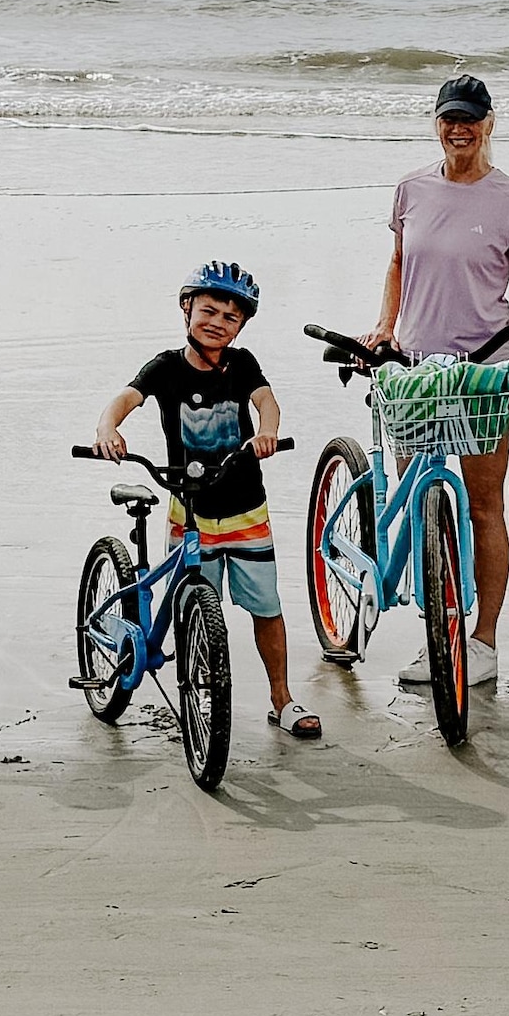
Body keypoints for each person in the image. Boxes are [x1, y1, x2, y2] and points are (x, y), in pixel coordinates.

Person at [374, 70, 509, 693]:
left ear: (488, 125)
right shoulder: (410, 189)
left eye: (469, 119)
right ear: (437, 124)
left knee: (484, 506)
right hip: (416, 371)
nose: (458, 129)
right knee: (420, 500)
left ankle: (482, 641)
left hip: (485, 372)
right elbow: (399, 263)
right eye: (449, 118)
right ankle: (438, 630)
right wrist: (385, 325)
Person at [95, 258, 320, 740]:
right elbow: (126, 398)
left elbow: (266, 400)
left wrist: (267, 432)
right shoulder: (166, 367)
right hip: (190, 510)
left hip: (246, 510)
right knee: (194, 609)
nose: (218, 322)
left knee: (266, 607)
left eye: (230, 317)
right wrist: (108, 428)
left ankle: (281, 698)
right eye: (209, 311)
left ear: (241, 326)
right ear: (187, 308)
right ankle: (197, 694)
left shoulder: (243, 364)